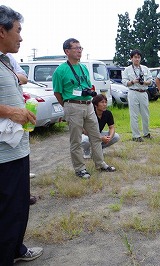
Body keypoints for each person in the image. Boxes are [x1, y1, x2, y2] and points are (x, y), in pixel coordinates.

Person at [0, 5, 43, 264]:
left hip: (16, 148)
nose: (21, 37)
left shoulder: (6, 61)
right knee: (8, 209)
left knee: (18, 206)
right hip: (3, 155)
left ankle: (16, 249)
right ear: (1, 31)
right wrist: (10, 111)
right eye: (17, 30)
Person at [52, 38, 115, 179]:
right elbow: (57, 92)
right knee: (76, 140)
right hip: (73, 105)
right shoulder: (60, 71)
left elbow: (87, 86)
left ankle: (100, 163)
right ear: (67, 51)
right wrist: (67, 106)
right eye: (76, 48)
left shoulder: (83, 68)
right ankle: (80, 168)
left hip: (88, 105)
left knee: (96, 136)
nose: (79, 50)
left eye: (81, 48)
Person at [7, 53, 37, 205]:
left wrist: (10, 77)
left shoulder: (8, 58)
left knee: (21, 156)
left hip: (17, 121)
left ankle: (24, 194)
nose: (20, 38)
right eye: (17, 31)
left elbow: (24, 77)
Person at [121, 49, 153, 142]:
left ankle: (146, 133)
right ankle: (136, 135)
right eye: (135, 57)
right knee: (134, 115)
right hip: (133, 91)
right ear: (131, 58)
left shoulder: (145, 68)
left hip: (143, 92)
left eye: (139, 57)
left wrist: (145, 82)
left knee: (145, 114)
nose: (137, 59)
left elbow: (151, 81)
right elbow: (124, 82)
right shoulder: (127, 70)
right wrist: (133, 81)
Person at [81, 94, 120, 158]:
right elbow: (85, 132)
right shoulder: (90, 113)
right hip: (88, 134)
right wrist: (100, 138)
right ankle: (86, 151)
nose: (104, 104)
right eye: (102, 102)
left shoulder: (108, 113)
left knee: (116, 136)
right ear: (96, 105)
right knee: (84, 140)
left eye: (105, 102)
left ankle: (98, 148)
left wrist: (109, 137)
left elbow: (111, 127)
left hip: (98, 134)